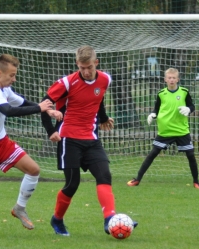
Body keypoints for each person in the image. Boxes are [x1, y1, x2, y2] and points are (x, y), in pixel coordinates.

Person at [41, 45, 138, 236]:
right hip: (69, 139)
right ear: (77, 64)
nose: (86, 72)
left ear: (96, 63)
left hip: (92, 138)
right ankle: (57, 219)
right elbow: (44, 105)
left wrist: (103, 118)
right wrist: (51, 130)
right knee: (72, 184)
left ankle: (110, 219)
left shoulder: (105, 79)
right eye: (82, 68)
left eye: (89, 68)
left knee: (104, 176)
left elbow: (98, 98)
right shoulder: (66, 83)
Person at [0, 54, 63, 230]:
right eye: (11, 75)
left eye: (14, 75)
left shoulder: (5, 90)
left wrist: (47, 110)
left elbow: (21, 102)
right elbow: (9, 111)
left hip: (2, 143)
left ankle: (19, 208)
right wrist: (39, 108)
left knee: (33, 170)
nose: (14, 79)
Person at [127, 68, 199, 189]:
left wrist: (189, 109)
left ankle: (196, 181)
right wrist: (152, 114)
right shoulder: (161, 94)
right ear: (165, 79)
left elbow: (191, 105)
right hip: (165, 131)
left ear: (178, 79)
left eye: (174, 78)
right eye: (169, 78)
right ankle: (137, 179)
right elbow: (156, 109)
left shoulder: (184, 92)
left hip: (181, 130)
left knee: (190, 155)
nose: (171, 80)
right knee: (152, 154)